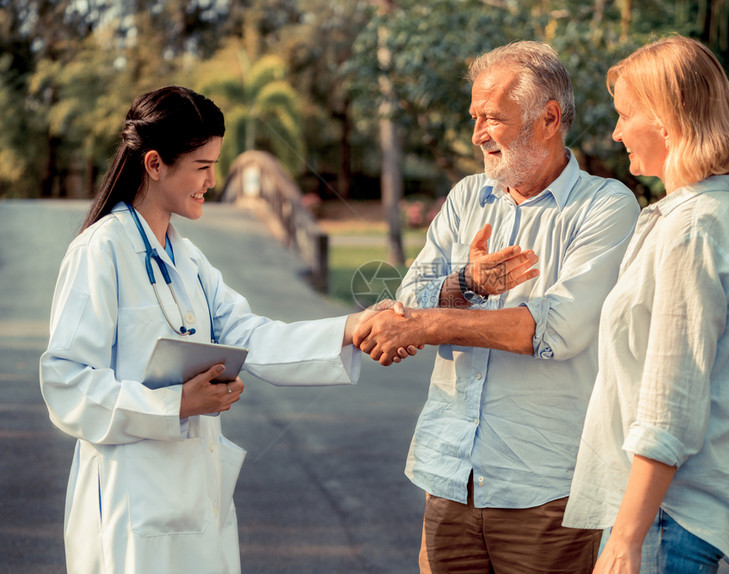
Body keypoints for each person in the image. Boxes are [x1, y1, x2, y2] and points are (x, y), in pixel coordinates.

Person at [38, 86, 411, 574]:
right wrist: (176, 404)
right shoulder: (99, 251)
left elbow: (251, 337)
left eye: (216, 165)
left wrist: (352, 325)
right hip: (130, 505)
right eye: (201, 166)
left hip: (196, 498)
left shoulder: (188, 259)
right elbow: (66, 383)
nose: (212, 181)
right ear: (154, 164)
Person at [354, 41, 640, 573]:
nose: (477, 134)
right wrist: (465, 282)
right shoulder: (467, 197)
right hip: (448, 477)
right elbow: (411, 294)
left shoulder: (607, 205)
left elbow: (556, 330)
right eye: (475, 118)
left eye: (493, 118)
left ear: (549, 119)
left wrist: (426, 322)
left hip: (545, 490)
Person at [561, 36, 729, 574]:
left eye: (625, 114)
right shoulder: (710, 210)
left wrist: (626, 537)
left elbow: (670, 402)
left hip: (663, 516)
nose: (615, 131)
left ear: (667, 119)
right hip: (666, 513)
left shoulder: (695, 227)